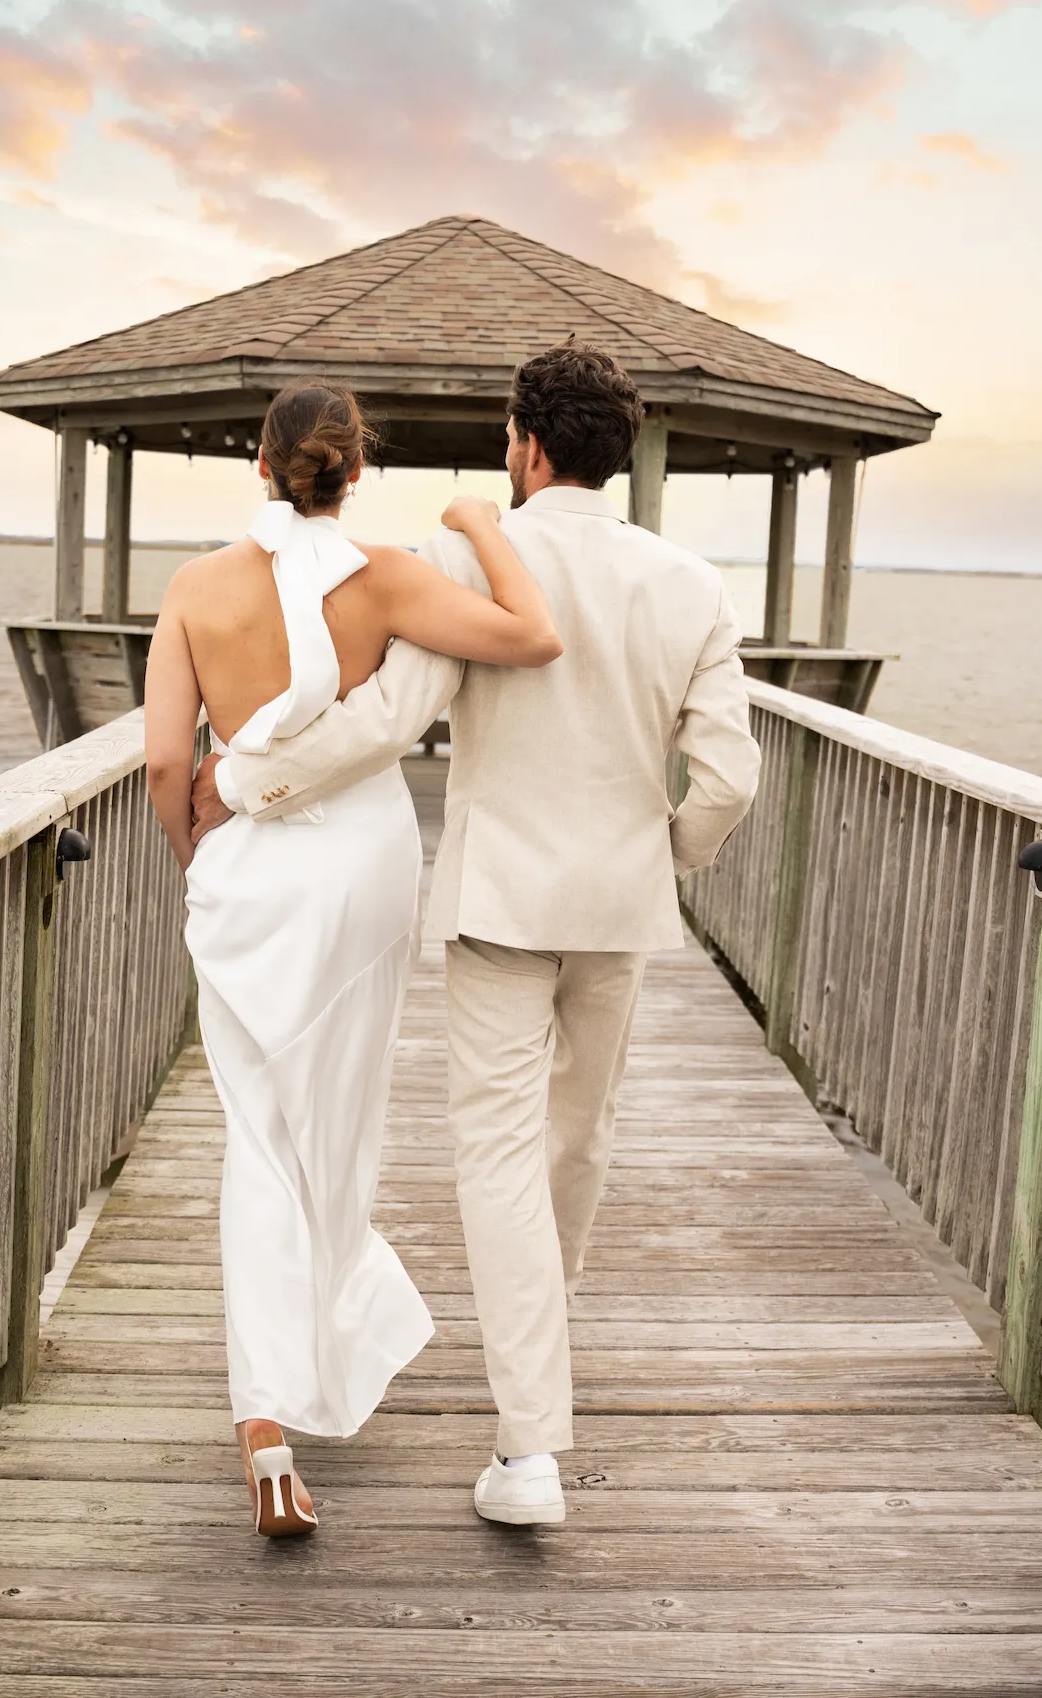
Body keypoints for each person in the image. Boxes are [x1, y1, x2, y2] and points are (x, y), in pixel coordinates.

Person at [191, 342, 761, 1527]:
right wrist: (667, 856)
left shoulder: (465, 555)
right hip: (619, 908)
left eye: (510, 433)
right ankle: (525, 1424)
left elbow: (387, 718)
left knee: (499, 1159)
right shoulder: (691, 583)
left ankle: (533, 1452)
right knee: (578, 1148)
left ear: (529, 445)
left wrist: (250, 784)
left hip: (502, 904)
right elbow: (729, 778)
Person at [143, 379, 561, 1538]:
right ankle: (318, 1342)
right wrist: (484, 528)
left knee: (256, 1133)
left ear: (261, 466)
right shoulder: (384, 577)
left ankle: (263, 1422)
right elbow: (534, 636)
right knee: (338, 1122)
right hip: (365, 868)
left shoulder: (193, 589)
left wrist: (196, 859)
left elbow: (167, 765)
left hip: (250, 875)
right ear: (358, 472)